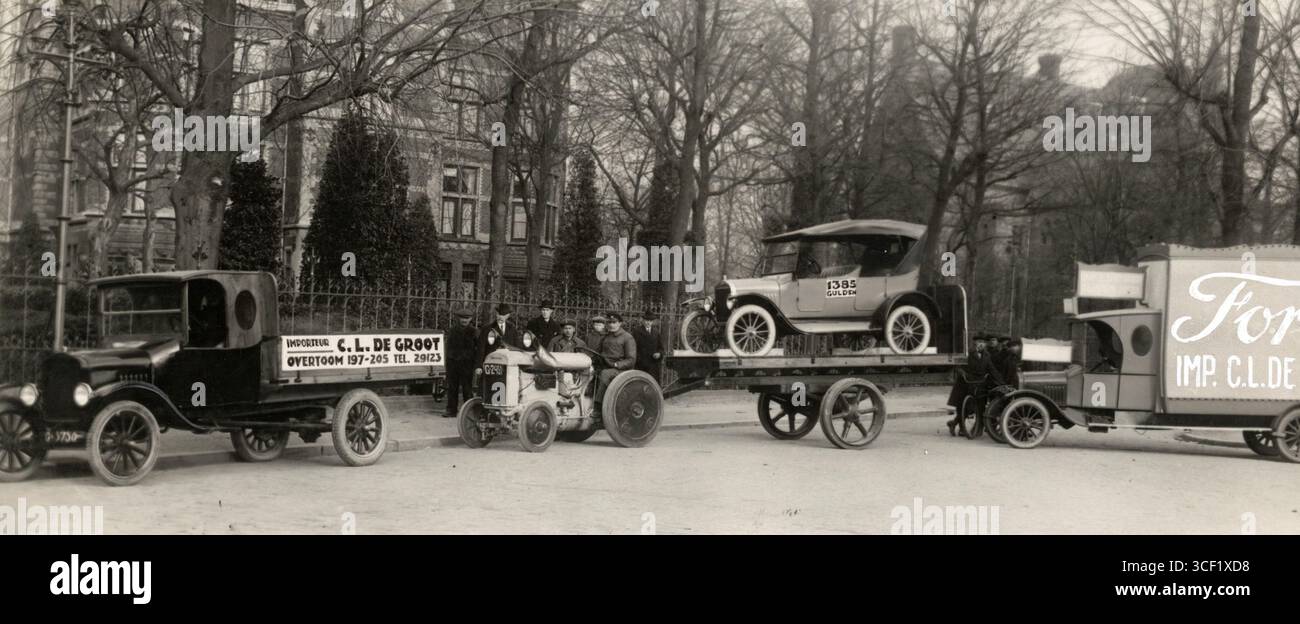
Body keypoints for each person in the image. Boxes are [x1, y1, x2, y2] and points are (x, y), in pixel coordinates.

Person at [946, 332, 1001, 436]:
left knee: (980, 407)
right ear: (974, 343)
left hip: (979, 385)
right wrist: (962, 373)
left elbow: (992, 370)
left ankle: (974, 428)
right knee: (964, 408)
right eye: (979, 342)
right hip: (965, 384)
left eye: (983, 342)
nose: (981, 344)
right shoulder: (967, 353)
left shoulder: (987, 355)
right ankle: (961, 427)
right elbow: (959, 366)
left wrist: (1001, 382)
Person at [594, 312, 636, 404]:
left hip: (620, 370)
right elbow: (598, 353)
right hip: (604, 366)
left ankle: (598, 406)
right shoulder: (605, 337)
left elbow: (631, 360)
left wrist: (617, 364)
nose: (611, 325)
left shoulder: (627, 338)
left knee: (605, 374)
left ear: (620, 323)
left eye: (614, 322)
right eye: (609, 322)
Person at [444, 308, 477, 417]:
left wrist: (474, 363)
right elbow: (448, 347)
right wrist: (449, 361)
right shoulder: (453, 330)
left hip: (467, 364)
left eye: (467, 318)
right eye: (462, 318)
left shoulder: (474, 332)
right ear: (458, 318)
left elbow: (477, 349)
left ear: (471, 319)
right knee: (452, 387)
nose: (464, 320)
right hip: (453, 363)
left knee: (467, 388)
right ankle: (451, 410)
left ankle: (469, 410)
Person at [476, 303, 519, 375]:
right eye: (499, 314)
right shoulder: (487, 329)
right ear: (496, 314)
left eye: (503, 315)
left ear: (508, 316)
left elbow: (516, 348)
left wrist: (517, 364)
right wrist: (479, 366)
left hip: (508, 365)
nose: (500, 317)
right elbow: (481, 349)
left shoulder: (512, 329)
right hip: (491, 364)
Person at [631, 311, 663, 380]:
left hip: (653, 365)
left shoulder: (656, 332)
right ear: (643, 320)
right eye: (646, 320)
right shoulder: (636, 331)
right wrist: (639, 360)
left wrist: (659, 354)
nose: (648, 322)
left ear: (653, 322)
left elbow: (660, 347)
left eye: (650, 321)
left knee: (653, 384)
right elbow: (633, 348)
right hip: (641, 365)